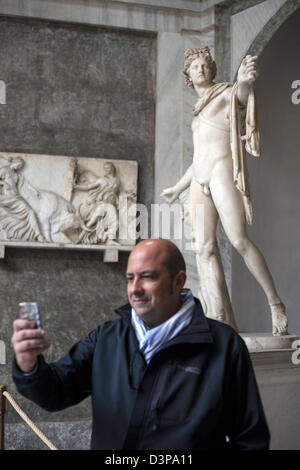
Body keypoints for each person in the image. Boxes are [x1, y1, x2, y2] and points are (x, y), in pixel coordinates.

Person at [11, 238, 270, 450]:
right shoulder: (106, 338)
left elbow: (250, 440)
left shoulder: (224, 345)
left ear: (178, 281)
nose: (134, 289)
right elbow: (55, 392)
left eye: (147, 277)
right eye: (129, 278)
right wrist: (29, 365)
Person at [161, 47, 288, 336]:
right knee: (204, 248)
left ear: (212, 70)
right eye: (195, 67)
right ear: (188, 76)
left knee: (239, 240)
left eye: (205, 65)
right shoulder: (196, 113)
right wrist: (177, 188)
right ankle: (220, 320)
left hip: (221, 170)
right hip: (199, 179)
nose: (201, 69)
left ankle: (275, 302)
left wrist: (244, 80)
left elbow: (240, 98)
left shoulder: (224, 94)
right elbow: (197, 159)